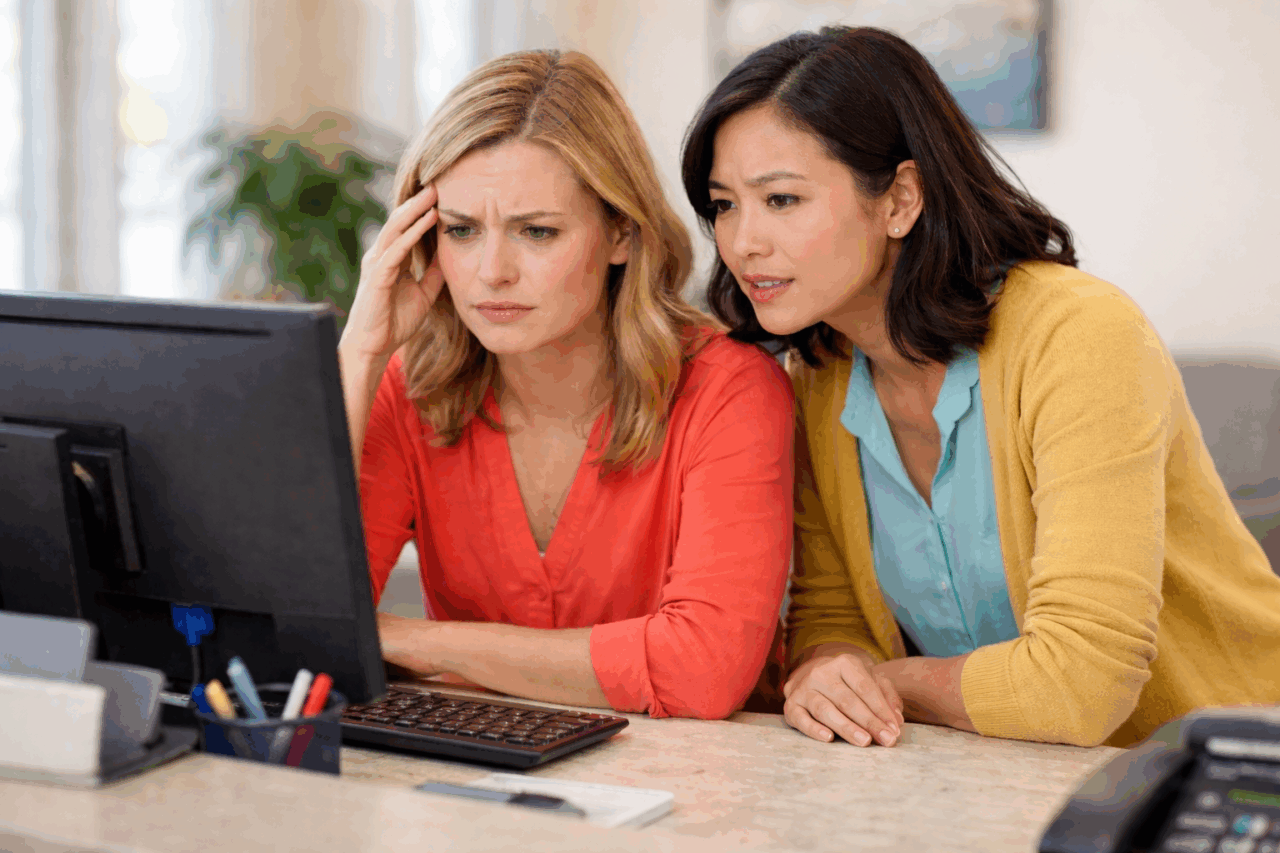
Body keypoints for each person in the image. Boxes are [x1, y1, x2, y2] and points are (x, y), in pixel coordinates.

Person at [680, 25, 1280, 747]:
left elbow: (1081, 687)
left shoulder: (1080, 336)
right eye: (723, 205)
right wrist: (830, 666)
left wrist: (889, 681)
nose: (743, 242)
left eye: (780, 200)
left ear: (901, 198)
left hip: (1228, 774)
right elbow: (830, 617)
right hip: (998, 779)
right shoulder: (818, 373)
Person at [337, 49, 793, 719]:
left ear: (621, 233)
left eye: (536, 231)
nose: (491, 270)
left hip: (692, 798)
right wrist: (360, 352)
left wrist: (415, 642)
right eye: (461, 230)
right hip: (473, 791)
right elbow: (292, 628)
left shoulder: (730, 392)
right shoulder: (409, 386)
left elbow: (702, 670)